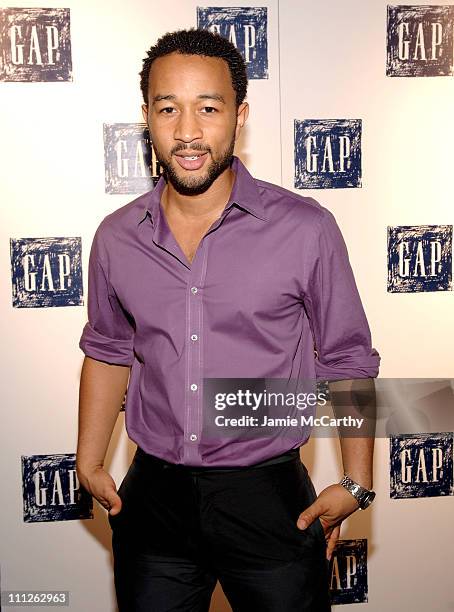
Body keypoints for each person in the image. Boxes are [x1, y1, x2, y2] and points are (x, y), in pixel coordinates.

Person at [76, 28, 380, 612]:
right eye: (168, 108)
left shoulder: (305, 228)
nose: (187, 132)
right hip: (154, 500)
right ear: (146, 116)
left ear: (239, 116)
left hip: (269, 500)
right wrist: (89, 458)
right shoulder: (116, 238)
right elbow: (109, 349)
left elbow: (347, 358)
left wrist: (357, 482)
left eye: (208, 109)